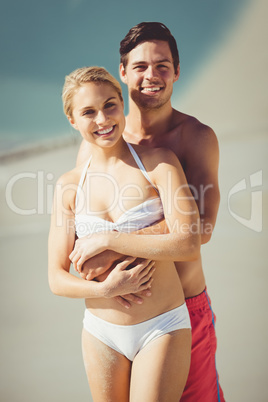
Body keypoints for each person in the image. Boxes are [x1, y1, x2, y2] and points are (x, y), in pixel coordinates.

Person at [76, 22, 225, 401]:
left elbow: (202, 228)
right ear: (123, 72)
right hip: (115, 314)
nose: (151, 76)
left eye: (162, 65)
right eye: (140, 66)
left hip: (181, 310)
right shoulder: (101, 139)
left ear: (176, 71)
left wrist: (114, 244)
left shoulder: (195, 138)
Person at [48, 66, 201, 401]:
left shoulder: (159, 164)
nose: (103, 119)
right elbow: (56, 278)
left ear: (122, 104)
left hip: (161, 326)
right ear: (73, 120)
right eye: (88, 112)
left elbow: (188, 241)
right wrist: (106, 288)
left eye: (110, 105)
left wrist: (108, 240)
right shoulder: (69, 186)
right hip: (101, 332)